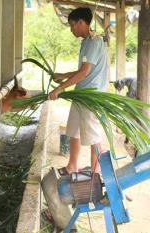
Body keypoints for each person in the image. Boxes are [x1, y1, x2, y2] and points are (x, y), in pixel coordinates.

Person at [48, 7, 108, 175]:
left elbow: (84, 73)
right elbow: (82, 69)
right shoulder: (86, 42)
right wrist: (64, 76)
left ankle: (96, 174)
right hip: (81, 93)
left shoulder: (95, 41)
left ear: (81, 22)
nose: (71, 29)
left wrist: (60, 89)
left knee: (93, 136)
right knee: (74, 130)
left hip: (91, 96)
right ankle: (72, 166)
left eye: (72, 25)